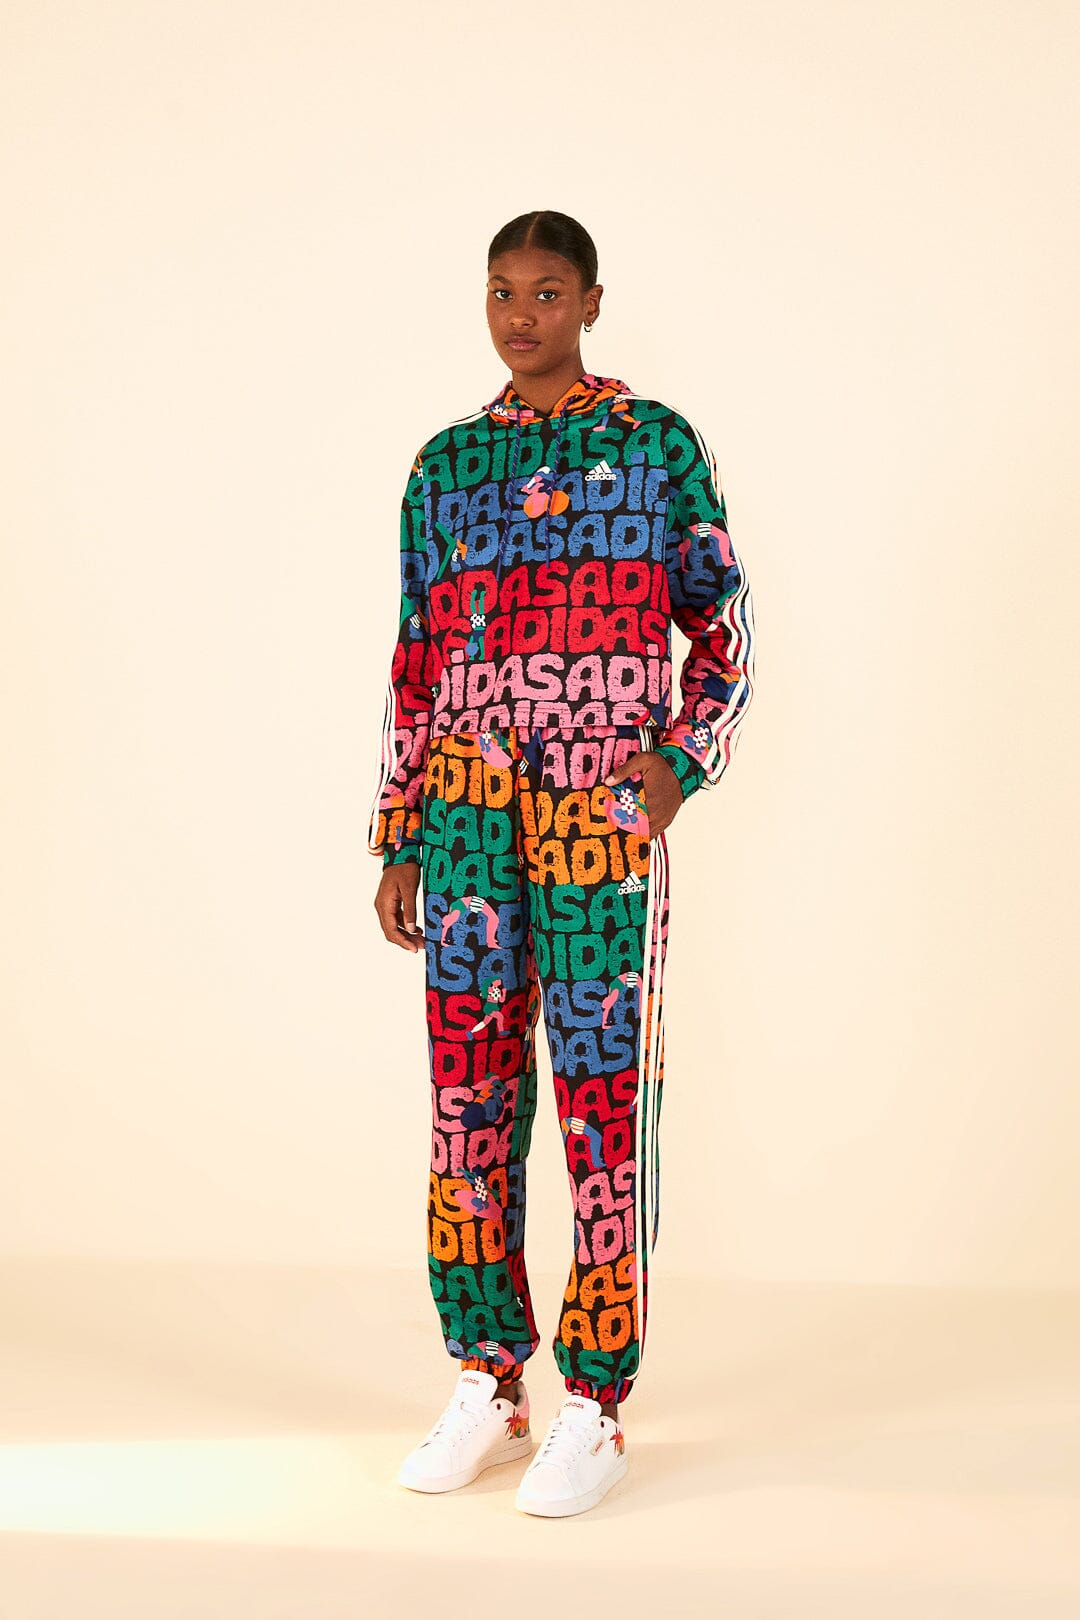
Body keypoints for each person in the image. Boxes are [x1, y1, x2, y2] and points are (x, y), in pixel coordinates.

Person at [369, 210, 755, 1517]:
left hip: (598, 829)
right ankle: (488, 1380)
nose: (520, 315)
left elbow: (726, 621)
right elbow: (415, 658)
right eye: (500, 291)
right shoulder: (445, 465)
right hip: (467, 828)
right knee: (466, 1111)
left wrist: (679, 763)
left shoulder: (654, 445)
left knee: (602, 1109)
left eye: (546, 292)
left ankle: (596, 1403)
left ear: (591, 301)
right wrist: (400, 829)